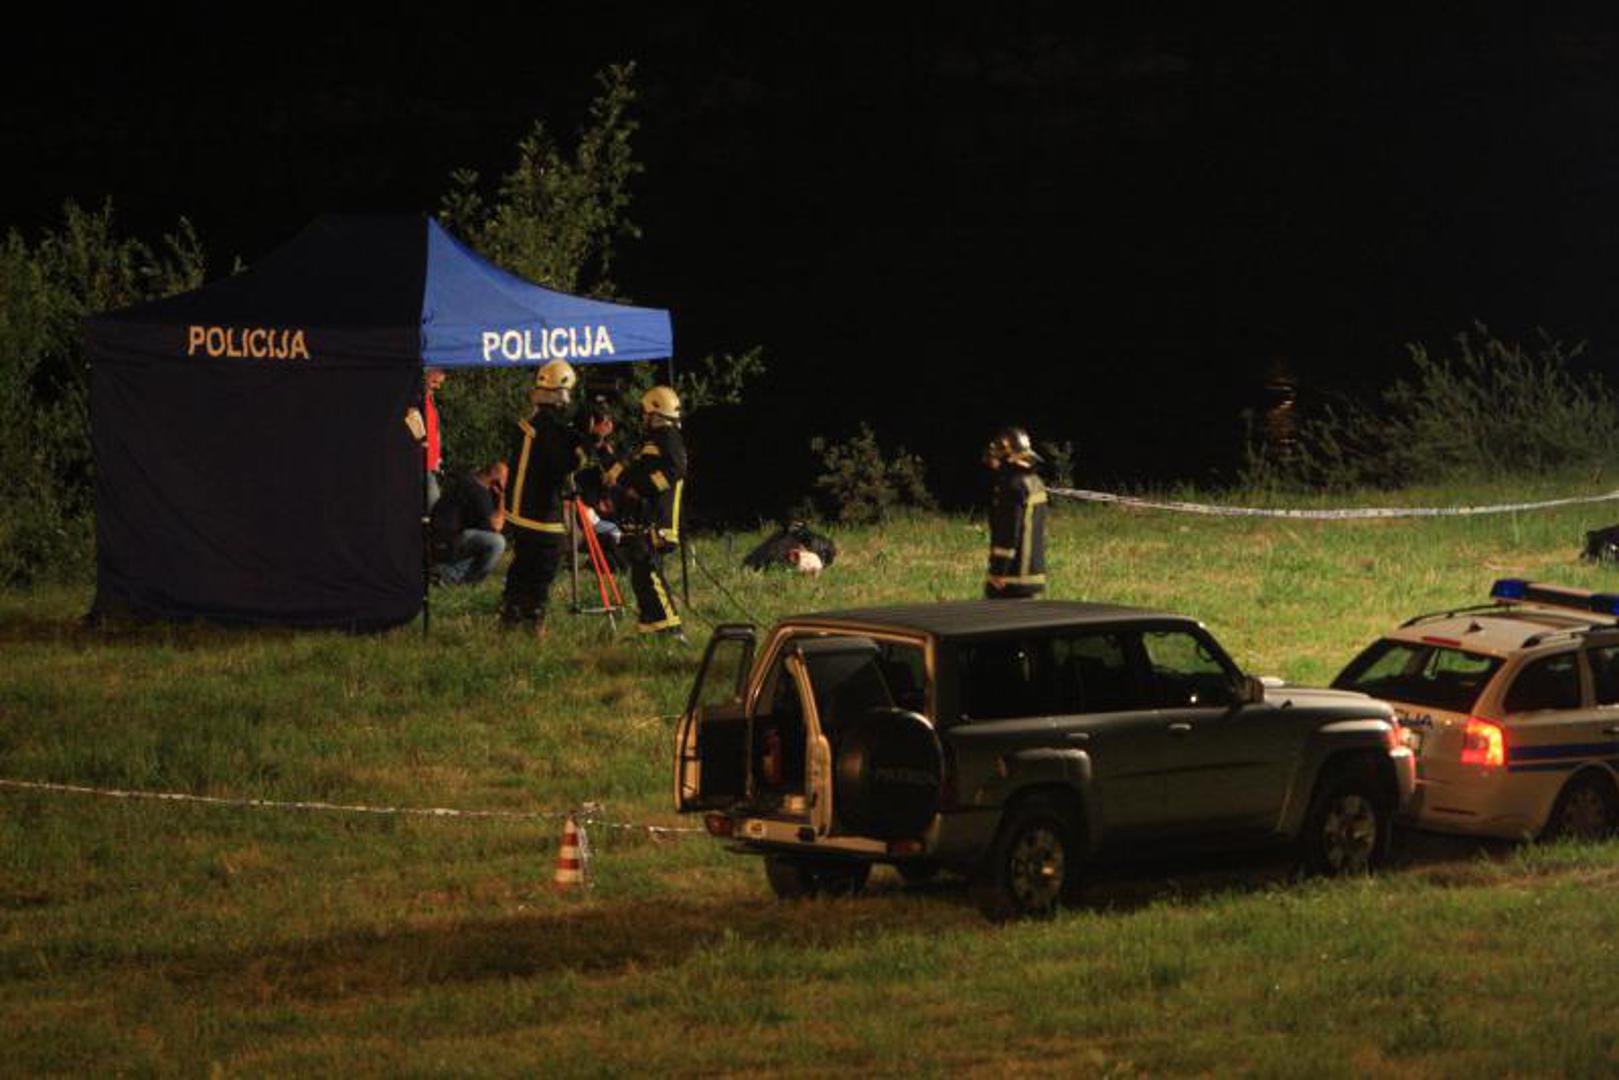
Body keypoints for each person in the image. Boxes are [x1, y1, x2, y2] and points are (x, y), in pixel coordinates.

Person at [499, 360, 612, 635]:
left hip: (519, 509)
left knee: (523, 562)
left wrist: (578, 435)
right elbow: (564, 464)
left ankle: (510, 615)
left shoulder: (532, 423)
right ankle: (533, 619)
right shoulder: (550, 429)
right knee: (545, 563)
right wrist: (591, 441)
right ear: (561, 393)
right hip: (540, 511)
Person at [604, 385, 687, 639]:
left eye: (646, 412)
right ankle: (650, 630)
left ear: (657, 413)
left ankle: (672, 630)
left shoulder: (668, 436)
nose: (643, 417)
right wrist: (606, 458)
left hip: (659, 521)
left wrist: (642, 489)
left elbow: (675, 470)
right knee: (641, 575)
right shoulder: (650, 441)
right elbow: (630, 472)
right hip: (644, 520)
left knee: (650, 573)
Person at [983, 426, 1047, 599]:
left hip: (1011, 579)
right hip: (1034, 575)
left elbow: (1008, 532)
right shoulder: (1035, 482)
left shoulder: (1012, 487)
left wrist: (998, 571)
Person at [429, 462, 508, 586]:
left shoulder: (467, 482)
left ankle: (446, 572)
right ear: (495, 478)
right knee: (497, 542)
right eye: (505, 479)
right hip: (447, 542)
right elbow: (496, 527)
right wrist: (502, 497)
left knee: (480, 538)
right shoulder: (479, 492)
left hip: (438, 539)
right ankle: (459, 579)